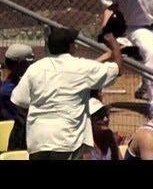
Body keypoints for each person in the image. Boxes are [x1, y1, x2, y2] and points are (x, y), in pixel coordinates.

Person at [10, 26, 123, 160]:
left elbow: (18, 100)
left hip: (39, 140)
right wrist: (114, 45)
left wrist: (37, 116)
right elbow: (117, 70)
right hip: (67, 140)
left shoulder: (35, 69)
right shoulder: (81, 67)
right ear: (70, 47)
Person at [0, 44, 34, 151]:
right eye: (28, 62)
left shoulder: (18, 82)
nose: (30, 65)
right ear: (19, 64)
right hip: (18, 137)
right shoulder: (9, 90)